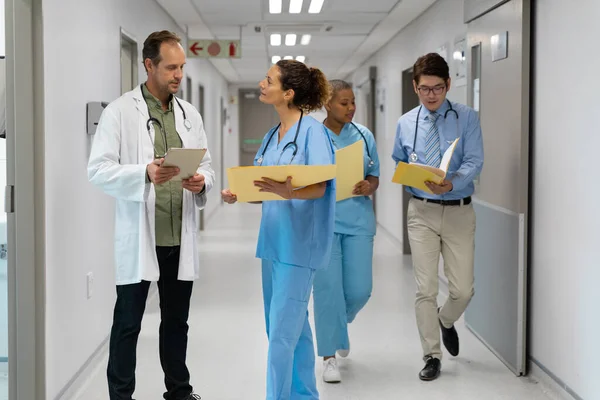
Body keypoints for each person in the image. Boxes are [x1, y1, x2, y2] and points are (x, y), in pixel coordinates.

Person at [87, 30, 212, 400]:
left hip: (177, 234)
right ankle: (121, 396)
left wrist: (202, 182)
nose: (178, 75)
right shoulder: (120, 111)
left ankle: (179, 391)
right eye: (171, 67)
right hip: (141, 237)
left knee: (176, 323)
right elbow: (98, 170)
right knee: (127, 324)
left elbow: (206, 164)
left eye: (182, 68)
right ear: (149, 65)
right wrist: (144, 172)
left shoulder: (189, 114)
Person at [221, 60, 335, 400]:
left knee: (281, 336)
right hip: (273, 242)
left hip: (300, 246)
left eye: (268, 80)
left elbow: (320, 187)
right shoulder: (273, 135)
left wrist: (292, 192)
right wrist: (238, 193)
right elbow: (262, 185)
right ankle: (304, 395)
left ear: (288, 93)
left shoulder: (314, 132)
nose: (261, 83)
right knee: (292, 329)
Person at [392, 52, 484, 381]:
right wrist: (412, 177)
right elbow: (399, 162)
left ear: (448, 85)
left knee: (462, 290)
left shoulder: (466, 117)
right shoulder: (405, 122)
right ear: (415, 87)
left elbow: (475, 160)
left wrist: (452, 181)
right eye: (425, 89)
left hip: (459, 210)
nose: (432, 95)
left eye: (438, 88)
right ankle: (431, 355)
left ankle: (446, 319)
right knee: (425, 288)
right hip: (421, 212)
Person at [312, 79, 380, 383]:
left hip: (358, 222)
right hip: (323, 224)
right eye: (344, 102)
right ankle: (328, 357)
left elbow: (374, 175)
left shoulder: (364, 136)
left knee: (359, 289)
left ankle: (340, 323)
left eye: (353, 102)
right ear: (328, 103)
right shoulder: (313, 135)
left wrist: (369, 184)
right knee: (327, 291)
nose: (351, 108)